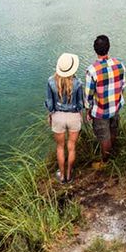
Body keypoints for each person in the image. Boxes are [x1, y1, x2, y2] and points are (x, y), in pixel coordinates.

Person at [84, 35, 125, 167]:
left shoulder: (92, 70)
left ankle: (105, 162)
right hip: (116, 106)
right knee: (113, 130)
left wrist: (88, 110)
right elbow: (123, 86)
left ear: (95, 50)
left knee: (104, 137)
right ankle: (112, 155)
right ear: (108, 48)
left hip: (101, 111)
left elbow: (88, 95)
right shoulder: (119, 65)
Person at [45, 52, 84, 183]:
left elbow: (50, 104)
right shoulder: (78, 82)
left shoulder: (51, 81)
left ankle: (62, 177)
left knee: (60, 147)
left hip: (58, 117)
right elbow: (80, 104)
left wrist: (50, 115)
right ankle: (69, 175)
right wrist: (80, 115)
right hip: (73, 117)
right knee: (71, 146)